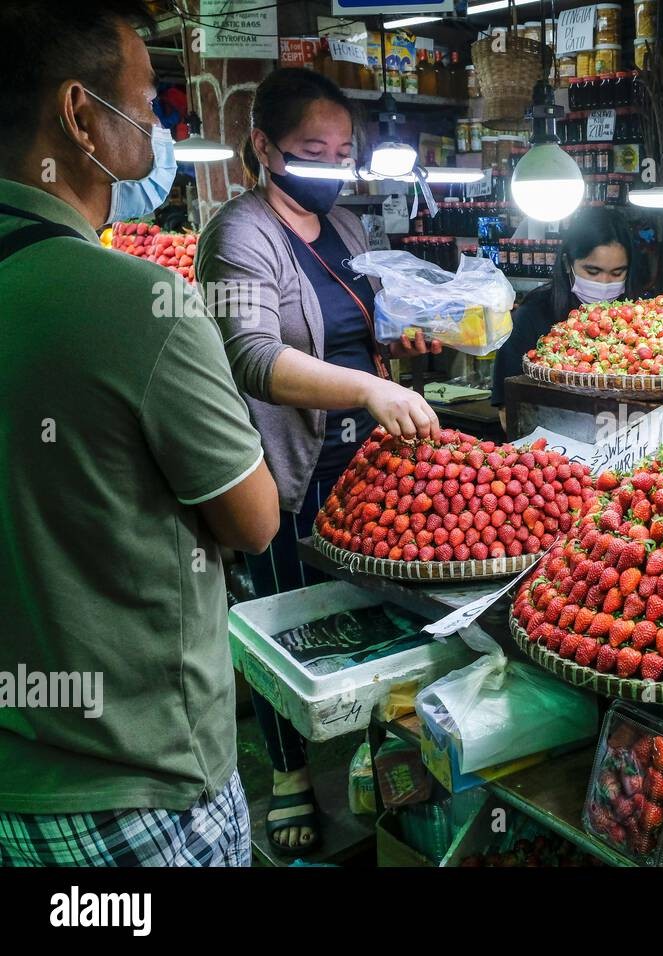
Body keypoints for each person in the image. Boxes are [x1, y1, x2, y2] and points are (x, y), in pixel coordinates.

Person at [0, 0, 280, 866]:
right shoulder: (135, 306)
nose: (159, 128)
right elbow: (254, 521)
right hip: (135, 790)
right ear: (81, 117)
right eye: (151, 102)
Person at [197, 67, 440, 853]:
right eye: (312, 149)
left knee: (370, 621)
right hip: (283, 469)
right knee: (283, 625)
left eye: (343, 152)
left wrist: (408, 339)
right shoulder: (237, 235)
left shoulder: (348, 232)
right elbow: (251, 357)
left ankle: (372, 750)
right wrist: (366, 388)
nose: (331, 166)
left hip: (364, 466)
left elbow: (362, 327)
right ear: (264, 146)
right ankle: (288, 771)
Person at [491, 207, 638, 430]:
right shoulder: (532, 316)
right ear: (568, 262)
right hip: (553, 448)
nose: (605, 282)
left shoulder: (638, 318)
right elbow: (507, 409)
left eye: (617, 273)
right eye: (592, 271)